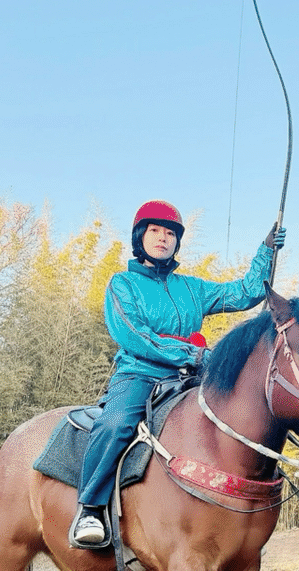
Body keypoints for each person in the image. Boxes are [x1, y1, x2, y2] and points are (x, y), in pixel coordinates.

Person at [70, 200, 284, 548]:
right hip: (140, 375)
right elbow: (133, 334)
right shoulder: (122, 284)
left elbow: (246, 292)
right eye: (154, 230)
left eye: (170, 233)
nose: (162, 238)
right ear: (140, 237)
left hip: (190, 379)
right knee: (116, 423)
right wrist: (191, 352)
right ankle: (90, 507)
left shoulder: (192, 288)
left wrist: (266, 251)